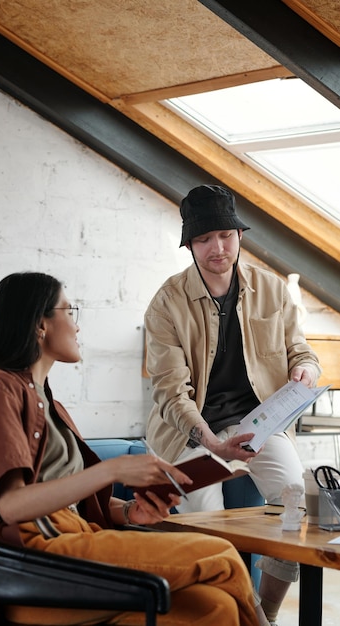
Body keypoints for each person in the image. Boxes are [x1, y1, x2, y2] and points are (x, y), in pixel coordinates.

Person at [0, 271, 264, 626]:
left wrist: (127, 513)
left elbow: (67, 498)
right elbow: (13, 505)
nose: (77, 327)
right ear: (40, 325)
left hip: (74, 543)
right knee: (221, 554)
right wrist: (112, 470)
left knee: (214, 607)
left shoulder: (49, 405)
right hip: (36, 568)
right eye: (69, 310)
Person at [144, 185, 321, 626]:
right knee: (205, 522)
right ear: (189, 245)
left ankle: (265, 614)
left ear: (240, 236)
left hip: (258, 422)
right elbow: (169, 393)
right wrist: (211, 443)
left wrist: (306, 369)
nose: (217, 248)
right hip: (191, 432)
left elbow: (300, 349)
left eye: (225, 234)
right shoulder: (165, 304)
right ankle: (250, 620)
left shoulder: (273, 289)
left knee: (297, 510)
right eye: (203, 239)